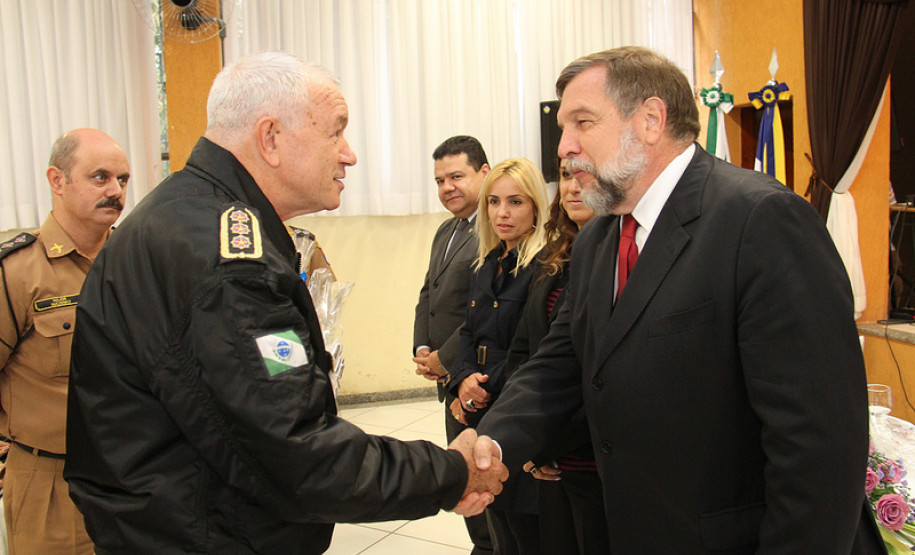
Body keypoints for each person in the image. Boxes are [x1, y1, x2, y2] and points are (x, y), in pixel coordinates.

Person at [63, 52, 507, 554]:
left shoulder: (183, 214)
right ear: (271, 138)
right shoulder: (228, 261)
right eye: (335, 132)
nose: (349, 154)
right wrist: (451, 473)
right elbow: (299, 454)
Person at [476, 46, 886, 553]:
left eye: (582, 122)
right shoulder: (600, 238)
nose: (563, 147)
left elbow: (818, 447)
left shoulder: (762, 220)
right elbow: (560, 364)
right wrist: (489, 444)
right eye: (564, 128)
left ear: (650, 119)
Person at [0, 128, 130, 554]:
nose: (115, 190)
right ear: (57, 180)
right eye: (100, 177)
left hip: (136, 478)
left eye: (123, 179)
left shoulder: (136, 263)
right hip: (51, 485)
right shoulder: (18, 272)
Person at [503, 158, 608, 555]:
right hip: (549, 451)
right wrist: (531, 442)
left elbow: (591, 373)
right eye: (566, 176)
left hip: (588, 454)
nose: (573, 187)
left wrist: (544, 442)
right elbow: (525, 351)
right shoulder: (553, 258)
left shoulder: (615, 259)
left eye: (586, 175)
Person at [449, 157, 549, 555]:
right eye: (493, 202)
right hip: (479, 398)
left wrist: (488, 387)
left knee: (524, 520)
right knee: (497, 517)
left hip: (513, 400)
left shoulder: (543, 267)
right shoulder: (486, 264)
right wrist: (462, 379)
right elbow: (468, 332)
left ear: (536, 207)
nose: (502, 213)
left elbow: (532, 347)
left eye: (515, 202)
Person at [412, 135, 494, 554]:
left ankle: (491, 545)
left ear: (484, 172)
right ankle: (482, 543)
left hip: (475, 375)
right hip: (447, 376)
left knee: (485, 472)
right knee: (462, 467)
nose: (447, 187)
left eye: (457, 176)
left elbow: (482, 312)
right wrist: (422, 348)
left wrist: (445, 359)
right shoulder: (447, 229)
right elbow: (430, 291)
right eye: (441, 179)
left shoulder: (495, 227)